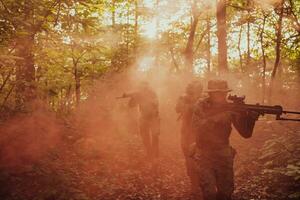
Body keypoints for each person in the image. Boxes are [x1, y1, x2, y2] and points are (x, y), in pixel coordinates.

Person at [190, 80, 259, 200]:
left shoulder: (230, 108)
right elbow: (197, 129)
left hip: (223, 154)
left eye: (223, 93)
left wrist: (251, 119)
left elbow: (246, 133)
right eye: (217, 93)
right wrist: (218, 118)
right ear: (210, 94)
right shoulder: (201, 105)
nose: (221, 96)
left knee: (225, 193)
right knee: (209, 193)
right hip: (204, 154)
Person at [175, 81, 203, 194]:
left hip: (201, 134)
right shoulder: (184, 98)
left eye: (199, 89)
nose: (197, 92)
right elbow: (177, 109)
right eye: (194, 89)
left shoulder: (204, 99)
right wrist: (186, 102)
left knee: (202, 160)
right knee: (189, 160)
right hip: (187, 134)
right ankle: (194, 184)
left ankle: (201, 183)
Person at [122, 81, 160, 160]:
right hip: (143, 118)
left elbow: (156, 103)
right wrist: (134, 97)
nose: (144, 88)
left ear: (148, 87)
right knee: (145, 137)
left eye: (145, 87)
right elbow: (131, 105)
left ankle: (155, 154)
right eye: (142, 87)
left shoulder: (152, 93)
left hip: (153, 118)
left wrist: (146, 99)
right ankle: (149, 153)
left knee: (155, 135)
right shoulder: (138, 95)